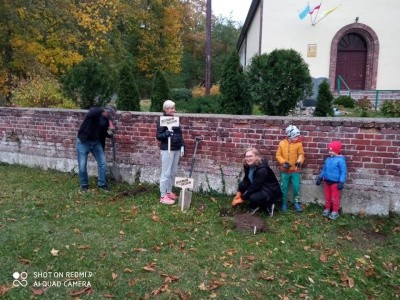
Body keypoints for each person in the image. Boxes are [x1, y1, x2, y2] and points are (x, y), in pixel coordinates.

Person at [76, 105, 116, 192]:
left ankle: (102, 185)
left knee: (102, 163)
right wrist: (103, 109)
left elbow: (106, 134)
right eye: (110, 113)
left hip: (96, 143)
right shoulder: (94, 114)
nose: (111, 115)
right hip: (84, 142)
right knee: (82, 165)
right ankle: (84, 185)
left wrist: (111, 130)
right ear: (106, 111)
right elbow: (91, 111)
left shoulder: (106, 120)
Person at [231, 148, 282, 216]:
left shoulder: (262, 169)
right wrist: (239, 192)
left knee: (253, 197)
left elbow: (255, 186)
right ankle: (256, 205)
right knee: (242, 185)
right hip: (259, 186)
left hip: (269, 189)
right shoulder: (247, 165)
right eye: (246, 156)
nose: (248, 158)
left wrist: (242, 198)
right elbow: (246, 179)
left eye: (250, 156)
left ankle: (269, 204)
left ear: (256, 156)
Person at [156, 100, 185, 205]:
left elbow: (179, 134)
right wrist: (166, 134)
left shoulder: (175, 120)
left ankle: (169, 191)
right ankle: (163, 196)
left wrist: (182, 145)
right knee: (166, 173)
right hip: (167, 149)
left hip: (176, 148)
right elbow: (159, 136)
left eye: (174, 108)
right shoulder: (161, 120)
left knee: (172, 172)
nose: (173, 110)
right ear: (165, 109)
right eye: (171, 108)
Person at [276, 125, 305, 212]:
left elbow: (301, 154)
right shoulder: (282, 143)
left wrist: (299, 161)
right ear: (289, 136)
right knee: (283, 188)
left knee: (296, 187)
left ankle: (296, 202)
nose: (297, 138)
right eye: (295, 136)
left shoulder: (299, 144)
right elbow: (278, 155)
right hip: (284, 171)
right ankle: (284, 203)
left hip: (295, 171)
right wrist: (283, 162)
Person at [316, 141, 347, 220]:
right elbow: (324, 169)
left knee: (334, 198)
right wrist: (320, 177)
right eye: (329, 150)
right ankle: (327, 209)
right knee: (327, 197)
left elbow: (343, 172)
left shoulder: (341, 160)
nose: (329, 152)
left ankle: (335, 211)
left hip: (335, 183)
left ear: (336, 151)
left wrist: (341, 182)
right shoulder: (328, 159)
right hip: (326, 181)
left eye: (331, 150)